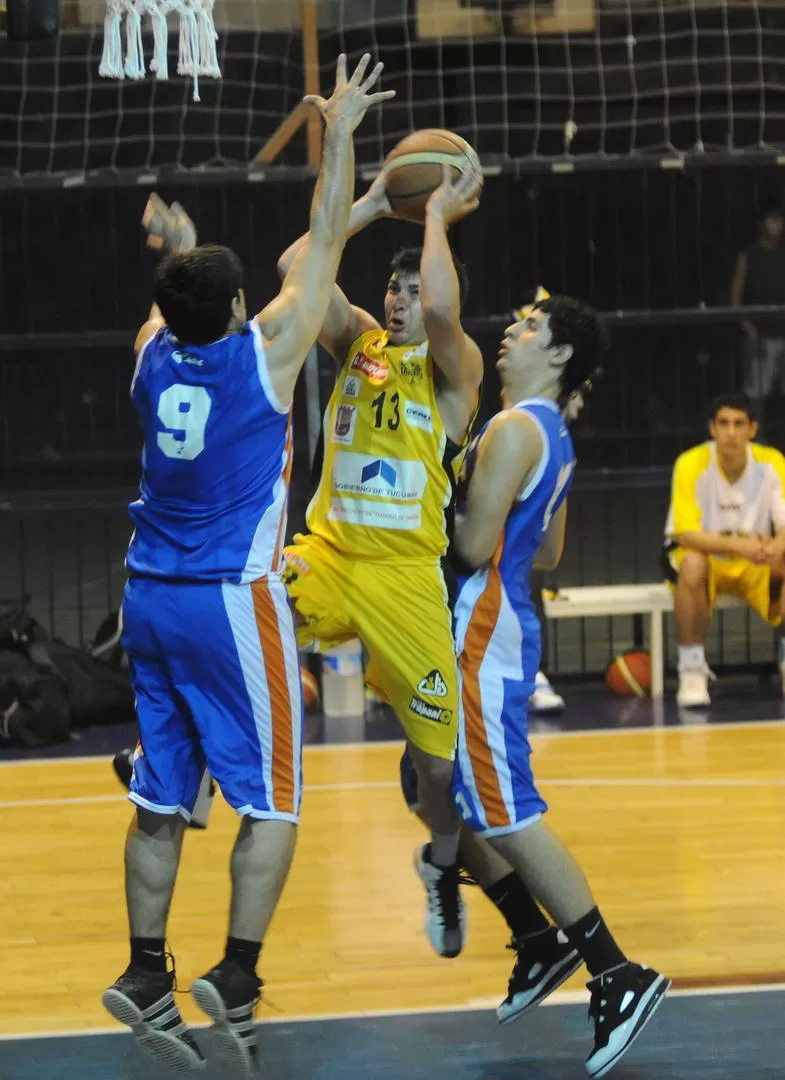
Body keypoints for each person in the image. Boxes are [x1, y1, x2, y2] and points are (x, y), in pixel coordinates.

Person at [101, 55, 394, 1076]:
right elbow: (308, 267)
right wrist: (345, 133)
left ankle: (144, 970)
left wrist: (176, 250)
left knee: (161, 798)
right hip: (230, 603)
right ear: (235, 314)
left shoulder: (149, 353)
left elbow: (208, 291)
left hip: (147, 598)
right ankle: (231, 973)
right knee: (273, 799)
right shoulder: (263, 358)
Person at [403, 295, 669, 1078]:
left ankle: (617, 973)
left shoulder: (516, 429)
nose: (509, 331)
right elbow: (545, 552)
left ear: (558, 357)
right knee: (427, 781)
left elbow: (474, 543)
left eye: (527, 326)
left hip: (481, 635)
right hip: (500, 626)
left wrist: (416, 507)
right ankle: (535, 939)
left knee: (505, 813)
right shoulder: (544, 432)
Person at [276, 162, 484, 959]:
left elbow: (438, 304)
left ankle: (439, 865)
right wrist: (364, 206)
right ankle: (168, 756)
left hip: (406, 582)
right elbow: (297, 270)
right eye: (389, 290)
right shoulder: (354, 341)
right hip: (330, 554)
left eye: (408, 290)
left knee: (439, 778)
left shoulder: (453, 371)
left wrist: (433, 214)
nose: (399, 301)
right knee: (242, 609)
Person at [664, 392, 785, 708]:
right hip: (707, 560)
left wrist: (776, 546)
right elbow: (685, 533)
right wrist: (739, 546)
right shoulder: (690, 463)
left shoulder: (772, 462)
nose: (731, 432)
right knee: (692, 563)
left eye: (739, 424)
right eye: (724, 424)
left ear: (752, 429)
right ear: (712, 429)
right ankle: (691, 668)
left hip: (754, 561)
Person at [731, 204, 785, 416]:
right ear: (762, 224)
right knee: (756, 395)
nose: (779, 226)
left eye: (780, 221)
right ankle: (757, 439)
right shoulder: (749, 255)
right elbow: (736, 298)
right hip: (760, 334)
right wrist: (750, 330)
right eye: (774, 220)